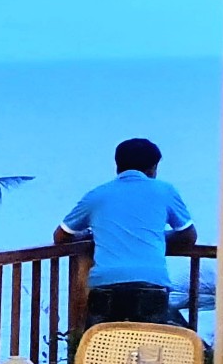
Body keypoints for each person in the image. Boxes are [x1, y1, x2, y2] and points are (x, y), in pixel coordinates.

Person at [57, 138, 194, 329]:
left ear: (117, 166)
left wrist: (88, 236)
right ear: (153, 168)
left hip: (105, 285)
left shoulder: (97, 195)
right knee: (153, 343)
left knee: (102, 343)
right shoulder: (165, 191)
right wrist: (156, 238)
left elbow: (61, 235)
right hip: (151, 283)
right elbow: (188, 235)